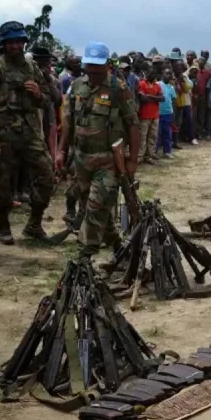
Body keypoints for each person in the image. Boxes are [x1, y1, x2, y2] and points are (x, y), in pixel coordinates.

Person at [56, 41, 139, 259]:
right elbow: (68, 122)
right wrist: (61, 151)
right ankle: (116, 245)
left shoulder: (118, 89)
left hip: (108, 160)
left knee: (95, 205)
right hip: (82, 159)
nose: (93, 70)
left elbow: (133, 124)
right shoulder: (77, 86)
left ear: (107, 66)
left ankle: (85, 253)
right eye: (89, 65)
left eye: (97, 65)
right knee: (91, 205)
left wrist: (133, 160)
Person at [0, 21, 54, 245]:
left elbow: (48, 100)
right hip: (4, 132)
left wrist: (38, 94)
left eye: (19, 42)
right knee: (2, 181)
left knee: (46, 175)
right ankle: (3, 226)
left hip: (31, 132)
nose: (15, 46)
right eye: (10, 42)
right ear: (4, 44)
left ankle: (34, 223)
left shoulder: (32, 68)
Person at [137, 65, 164, 164]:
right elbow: (142, 99)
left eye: (154, 74)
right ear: (147, 73)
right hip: (144, 115)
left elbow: (162, 98)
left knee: (152, 136)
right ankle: (140, 156)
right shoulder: (142, 84)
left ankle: (149, 156)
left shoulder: (157, 85)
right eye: (150, 73)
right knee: (142, 137)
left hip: (155, 115)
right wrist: (155, 97)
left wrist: (148, 95)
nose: (152, 75)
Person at [157, 69, 177, 158]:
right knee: (157, 133)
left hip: (168, 113)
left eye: (170, 74)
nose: (168, 76)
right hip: (158, 112)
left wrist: (173, 113)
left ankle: (167, 151)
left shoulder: (171, 87)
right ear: (162, 74)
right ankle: (155, 151)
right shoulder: (158, 84)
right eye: (166, 73)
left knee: (167, 133)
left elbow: (173, 100)